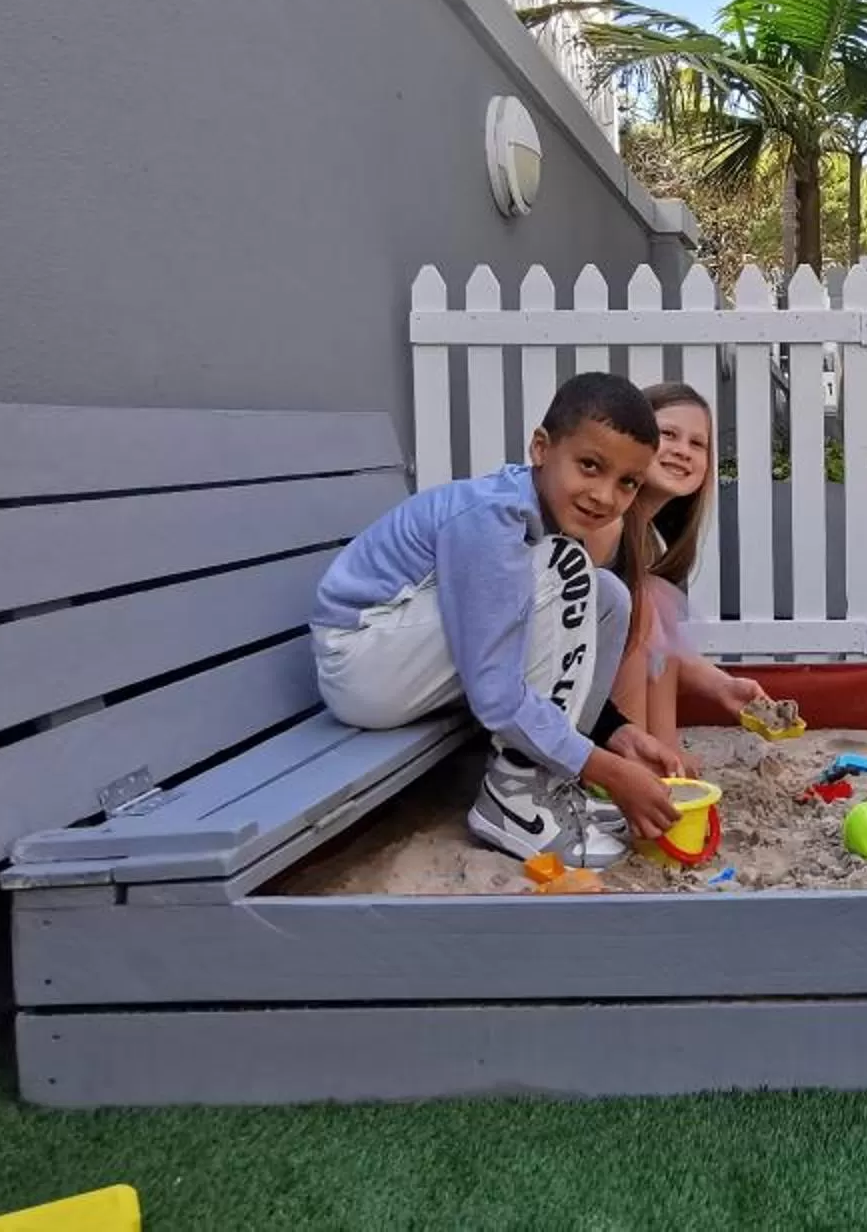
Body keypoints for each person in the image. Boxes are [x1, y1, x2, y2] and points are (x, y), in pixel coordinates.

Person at [308, 372, 685, 868]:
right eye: (590, 466)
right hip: (363, 661)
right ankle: (515, 797)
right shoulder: (492, 519)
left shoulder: (536, 519)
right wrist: (611, 772)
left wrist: (613, 733)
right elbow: (496, 690)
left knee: (607, 594)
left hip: (403, 656)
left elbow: (534, 651)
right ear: (541, 448)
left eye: (627, 483)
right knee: (565, 571)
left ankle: (547, 782)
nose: (604, 495)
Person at [605, 383, 766, 761]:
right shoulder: (606, 522)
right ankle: (636, 759)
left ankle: (663, 751)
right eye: (668, 435)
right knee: (643, 602)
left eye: (698, 444)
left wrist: (722, 686)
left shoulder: (649, 539)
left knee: (653, 600)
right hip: (566, 686)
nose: (683, 451)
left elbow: (660, 647)